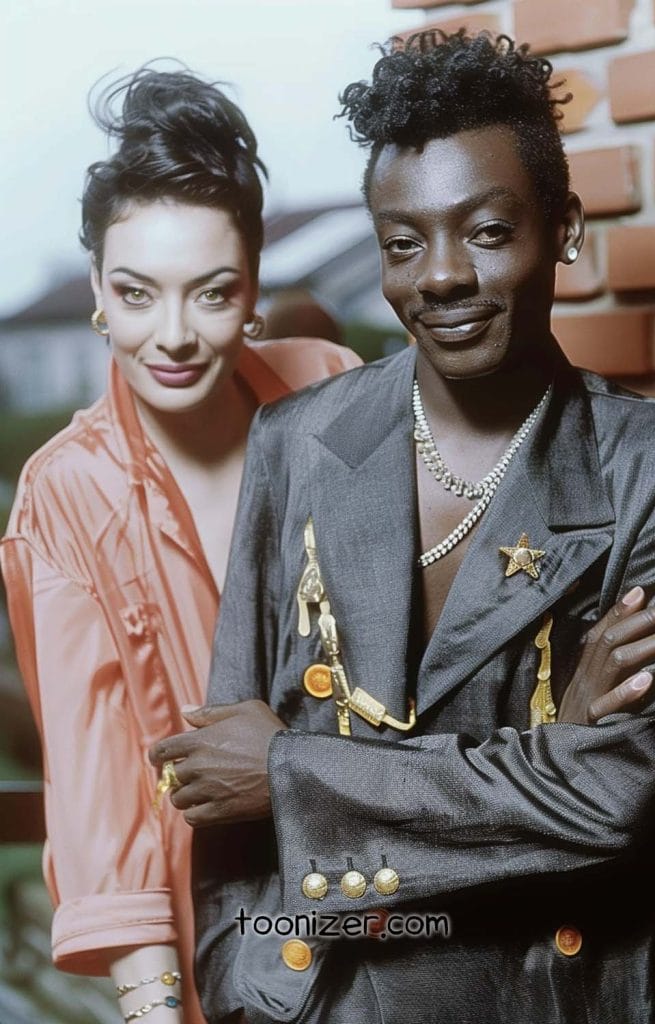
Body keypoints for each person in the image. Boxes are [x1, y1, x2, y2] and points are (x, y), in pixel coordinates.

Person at [152, 31, 655, 1023]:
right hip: (315, 994)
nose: (436, 276)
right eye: (402, 243)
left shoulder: (653, 472)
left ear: (559, 226)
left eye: (485, 230)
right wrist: (243, 979)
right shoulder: (298, 441)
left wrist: (289, 772)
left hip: (545, 995)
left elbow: (603, 801)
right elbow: (220, 782)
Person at [0, 67, 360, 1024]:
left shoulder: (331, 391)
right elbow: (99, 787)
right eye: (136, 292)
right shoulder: (64, 493)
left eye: (210, 294)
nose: (171, 336)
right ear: (96, 292)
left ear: (251, 292)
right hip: (213, 926)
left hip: (384, 887)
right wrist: (157, 1008)